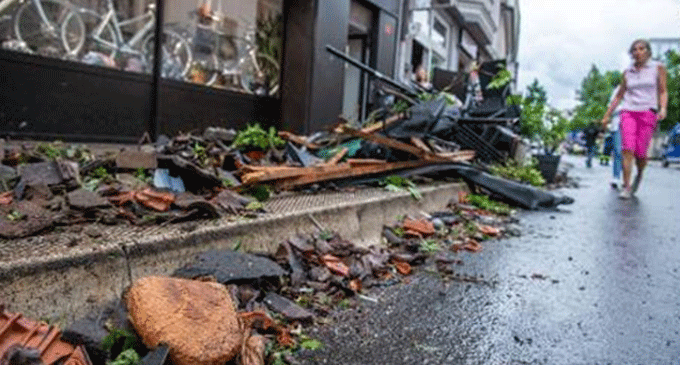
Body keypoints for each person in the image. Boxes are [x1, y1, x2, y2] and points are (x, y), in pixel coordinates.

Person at [602, 39, 668, 199]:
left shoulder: (658, 68)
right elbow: (619, 95)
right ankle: (626, 186)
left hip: (647, 112)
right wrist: (607, 115)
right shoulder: (627, 72)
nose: (637, 52)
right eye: (634, 50)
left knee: (640, 153)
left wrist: (663, 108)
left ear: (648, 52)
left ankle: (639, 173)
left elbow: (662, 91)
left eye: (641, 49)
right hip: (629, 112)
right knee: (627, 149)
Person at [605, 85, 624, 188]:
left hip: (632, 123)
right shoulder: (618, 89)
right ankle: (616, 177)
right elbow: (612, 106)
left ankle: (626, 178)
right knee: (618, 151)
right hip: (618, 123)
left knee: (628, 151)